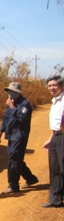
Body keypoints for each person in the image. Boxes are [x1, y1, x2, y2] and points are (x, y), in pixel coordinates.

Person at [0, 82, 38, 194]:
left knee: (14, 160)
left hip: (19, 136)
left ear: (18, 93)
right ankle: (30, 178)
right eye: (8, 91)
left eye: (12, 91)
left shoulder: (25, 104)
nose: (9, 93)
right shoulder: (10, 103)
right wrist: (0, 131)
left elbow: (22, 118)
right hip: (11, 135)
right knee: (14, 158)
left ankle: (13, 186)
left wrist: (12, 107)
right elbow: (6, 118)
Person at [41, 75, 64, 208]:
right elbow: (56, 125)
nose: (51, 88)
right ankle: (55, 199)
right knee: (55, 168)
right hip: (56, 136)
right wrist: (51, 139)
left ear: (61, 86)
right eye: (49, 86)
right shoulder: (54, 101)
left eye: (54, 85)